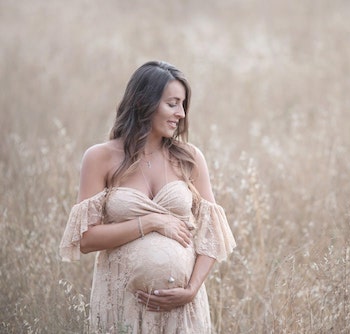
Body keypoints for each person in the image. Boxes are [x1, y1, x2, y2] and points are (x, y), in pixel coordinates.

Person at [59, 61, 236, 333]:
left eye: (183, 104)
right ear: (145, 102)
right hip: (122, 304)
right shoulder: (100, 157)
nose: (181, 113)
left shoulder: (189, 158)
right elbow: (85, 239)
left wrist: (190, 290)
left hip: (183, 309)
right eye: (173, 103)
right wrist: (151, 222)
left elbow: (211, 236)